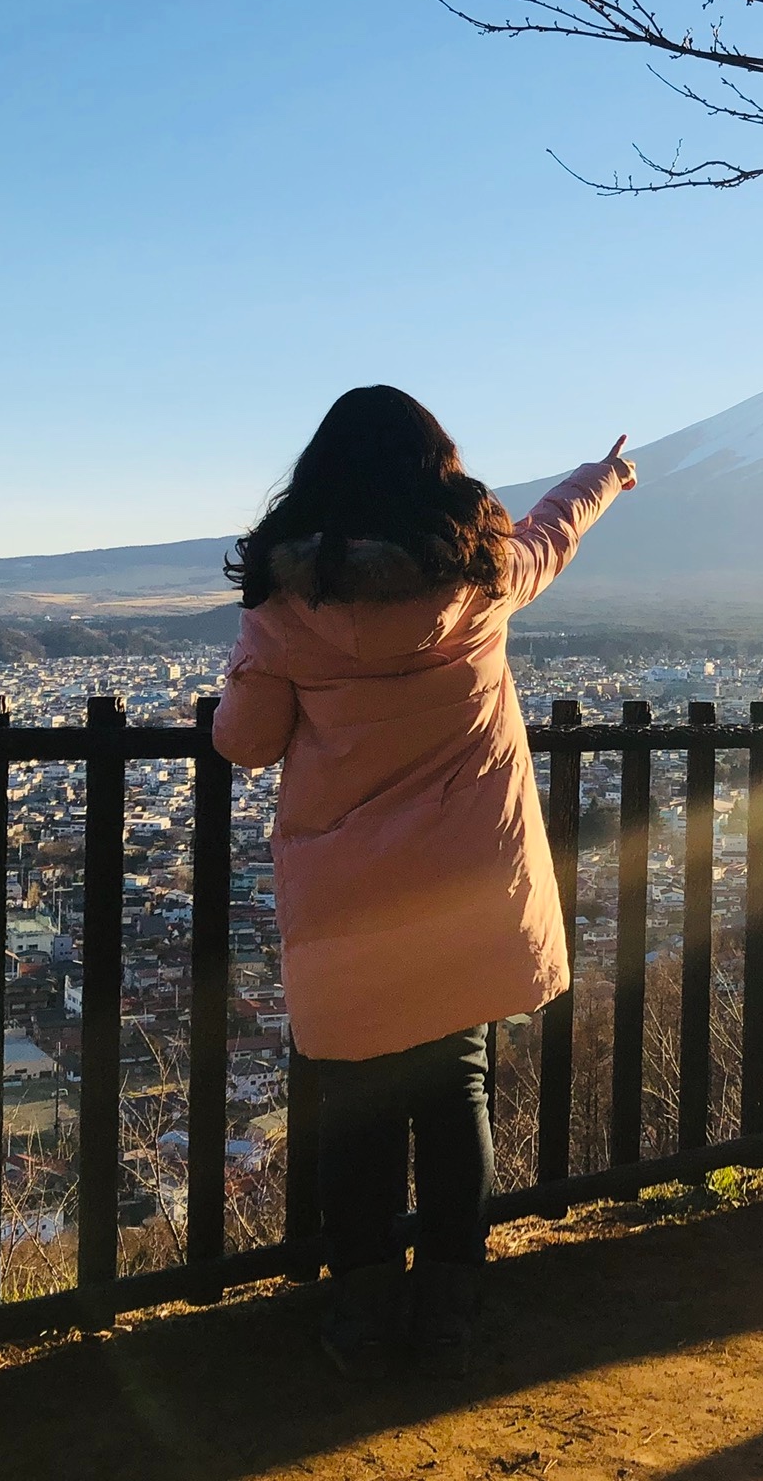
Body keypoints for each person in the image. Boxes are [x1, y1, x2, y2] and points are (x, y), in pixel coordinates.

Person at [210, 386, 634, 1380]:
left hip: (347, 899)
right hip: (463, 885)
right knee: (458, 1097)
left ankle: (359, 1314)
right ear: (433, 472)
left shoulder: (286, 602)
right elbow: (549, 532)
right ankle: (446, 1305)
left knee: (352, 1108)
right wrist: (604, 474)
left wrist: (248, 673)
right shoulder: (480, 575)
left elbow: (247, 741)